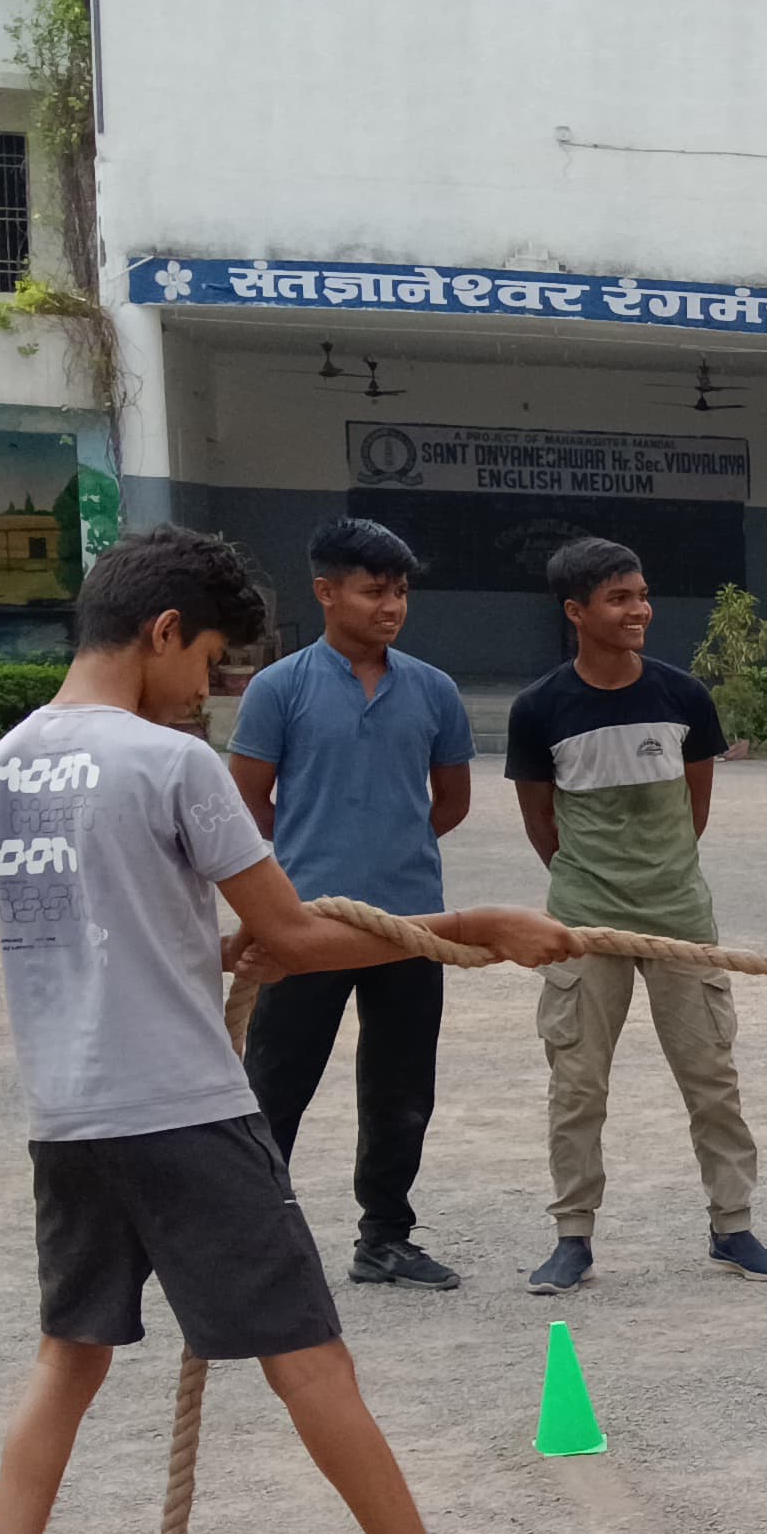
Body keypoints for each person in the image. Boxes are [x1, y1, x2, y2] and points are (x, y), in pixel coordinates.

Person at [0, 525, 573, 1534]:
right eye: (209, 663)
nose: (208, 694)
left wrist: (208, 946)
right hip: (181, 1108)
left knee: (66, 1360)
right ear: (163, 631)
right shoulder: (168, 763)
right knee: (312, 1362)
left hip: (68, 1113)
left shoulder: (5, 766)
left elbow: (118, 924)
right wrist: (480, 928)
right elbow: (290, 940)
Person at [505, 538, 767, 1294]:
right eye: (619, 599)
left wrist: (659, 881)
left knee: (711, 1078)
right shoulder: (539, 708)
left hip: (680, 918)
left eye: (641, 594)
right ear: (576, 612)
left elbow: (694, 809)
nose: (638, 611)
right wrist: (590, 889)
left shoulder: (682, 696)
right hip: (583, 923)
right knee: (577, 1084)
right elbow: (541, 821)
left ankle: (733, 1228)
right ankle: (573, 1236)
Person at [225, 516, 473, 1290]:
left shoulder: (434, 690)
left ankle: (386, 1238)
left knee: (402, 1088)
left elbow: (451, 802)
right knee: (275, 1080)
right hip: (303, 924)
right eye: (372, 592)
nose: (390, 607)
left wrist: (388, 853)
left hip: (409, 926)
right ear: (326, 593)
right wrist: (308, 863)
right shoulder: (280, 689)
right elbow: (246, 804)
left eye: (400, 592)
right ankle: (254, 1239)